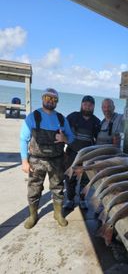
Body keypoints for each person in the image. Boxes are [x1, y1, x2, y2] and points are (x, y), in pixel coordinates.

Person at [20, 88, 74, 229]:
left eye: (53, 99)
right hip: (36, 160)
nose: (50, 101)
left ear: (57, 101)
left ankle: (58, 214)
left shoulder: (62, 119)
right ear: (42, 98)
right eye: (47, 98)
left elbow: (72, 138)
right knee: (34, 189)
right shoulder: (33, 117)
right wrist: (24, 161)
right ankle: (33, 215)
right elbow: (23, 139)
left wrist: (65, 138)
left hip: (57, 160)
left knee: (58, 188)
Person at [64, 95, 100, 210]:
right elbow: (62, 131)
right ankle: (70, 199)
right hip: (72, 153)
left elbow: (99, 140)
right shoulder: (72, 117)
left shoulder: (96, 121)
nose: (87, 107)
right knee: (70, 178)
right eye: (85, 104)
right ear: (81, 105)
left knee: (86, 179)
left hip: (88, 156)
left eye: (90, 105)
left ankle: (82, 199)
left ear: (93, 107)